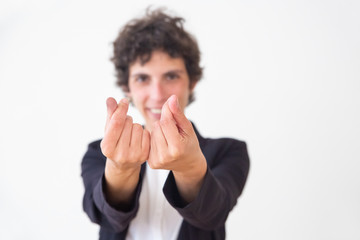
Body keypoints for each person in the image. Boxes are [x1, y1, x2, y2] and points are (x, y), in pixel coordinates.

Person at [81, 8, 250, 240]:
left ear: (192, 83)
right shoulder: (99, 153)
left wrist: (190, 167)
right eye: (142, 78)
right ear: (127, 88)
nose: (157, 94)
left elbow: (212, 215)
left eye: (171, 76)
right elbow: (105, 216)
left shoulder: (230, 152)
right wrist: (120, 169)